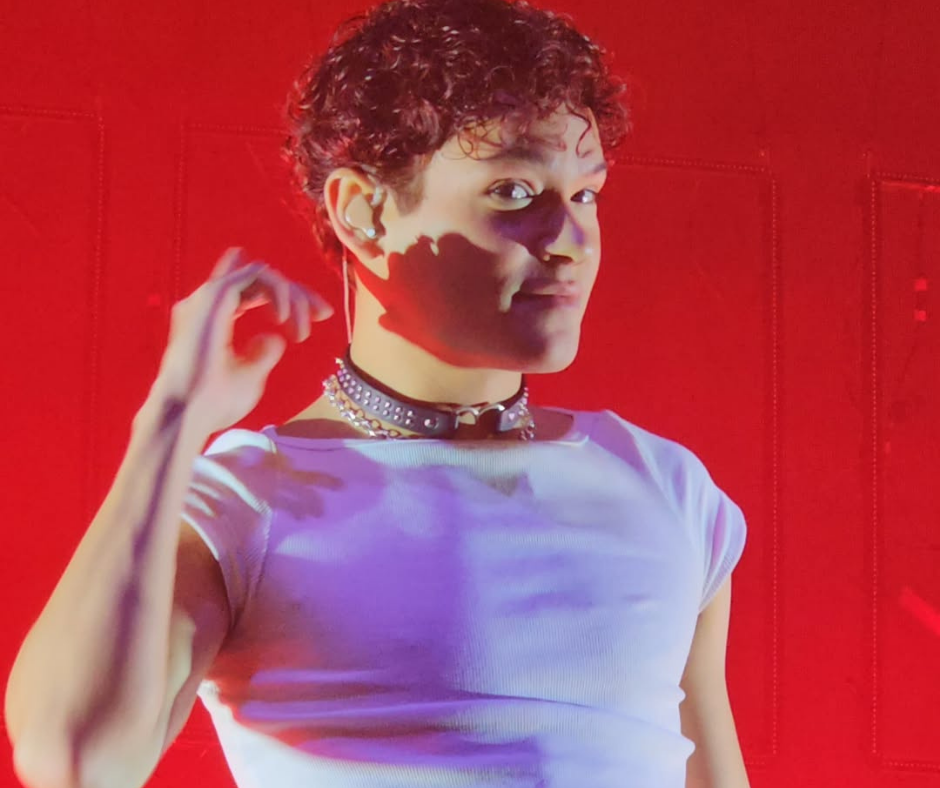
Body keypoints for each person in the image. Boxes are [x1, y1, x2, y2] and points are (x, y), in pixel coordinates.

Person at [4, 0, 750, 786]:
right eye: (513, 192)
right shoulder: (251, 502)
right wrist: (170, 424)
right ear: (362, 212)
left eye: (586, 195)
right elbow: (75, 760)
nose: (572, 241)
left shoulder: (667, 488)